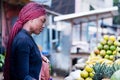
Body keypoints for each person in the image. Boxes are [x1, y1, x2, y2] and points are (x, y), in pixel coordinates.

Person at [4, 2, 46, 80]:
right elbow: (23, 77)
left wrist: (38, 56)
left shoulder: (25, 38)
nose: (43, 26)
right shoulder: (23, 40)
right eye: (42, 21)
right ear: (31, 18)